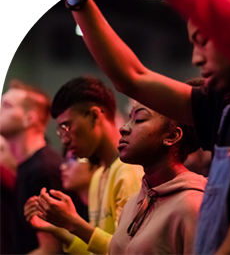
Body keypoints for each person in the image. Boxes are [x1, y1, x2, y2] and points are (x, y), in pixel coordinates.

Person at [61, 0, 230, 254]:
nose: (195, 58)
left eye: (203, 41)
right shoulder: (226, 105)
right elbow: (132, 78)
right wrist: (78, 1)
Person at [24, 76, 143, 255]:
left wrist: (73, 222)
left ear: (95, 116)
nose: (64, 140)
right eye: (60, 131)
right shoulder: (98, 175)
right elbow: (97, 250)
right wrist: (58, 227)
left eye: (67, 126)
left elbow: (127, 251)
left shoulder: (129, 169)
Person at [0, 79, 64, 255]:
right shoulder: (26, 167)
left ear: (29, 119)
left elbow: (51, 250)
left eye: (6, 105)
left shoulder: (42, 170)